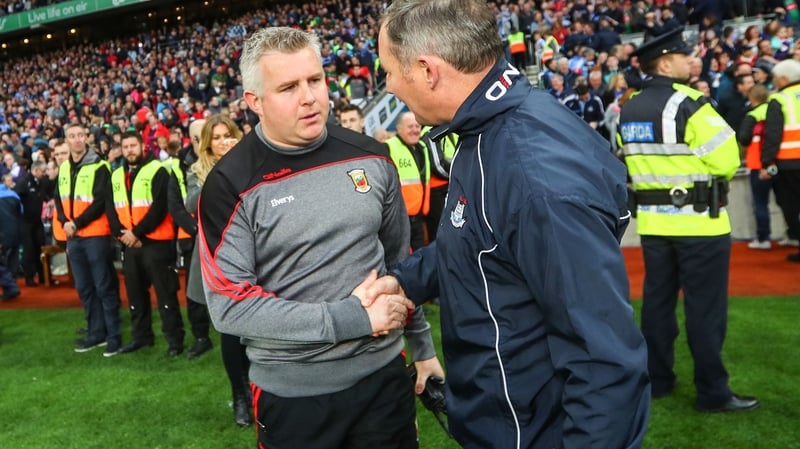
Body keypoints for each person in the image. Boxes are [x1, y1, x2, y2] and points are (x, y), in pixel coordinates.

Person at [367, 1, 650, 447]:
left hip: (532, 431)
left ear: (427, 69)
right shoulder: (488, 128)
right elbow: (483, 237)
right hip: (507, 419)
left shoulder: (532, 173)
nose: (388, 84)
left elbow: (605, 361)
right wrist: (406, 280)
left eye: (389, 69)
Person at [196, 27, 441, 449]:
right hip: (293, 396)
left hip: (383, 377)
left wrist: (422, 347)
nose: (309, 97)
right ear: (254, 102)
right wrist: (353, 319)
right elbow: (229, 306)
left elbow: (398, 263)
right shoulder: (227, 185)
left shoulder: (372, 157)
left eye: (315, 79)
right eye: (288, 87)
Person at [618, 27, 759, 412]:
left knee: (657, 306)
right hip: (701, 223)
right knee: (705, 311)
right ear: (665, 62)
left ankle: (658, 380)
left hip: (653, 225)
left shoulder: (629, 106)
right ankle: (713, 392)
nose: (691, 59)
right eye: (683, 55)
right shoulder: (691, 103)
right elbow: (727, 160)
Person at [184, 114, 252, 426]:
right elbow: (192, 203)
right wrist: (224, 173)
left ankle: (260, 391)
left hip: (254, 255)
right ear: (207, 142)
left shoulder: (252, 161)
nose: (224, 141)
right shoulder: (197, 170)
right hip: (216, 259)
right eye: (218, 136)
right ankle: (240, 396)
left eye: (229, 135)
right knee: (230, 329)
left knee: (258, 327)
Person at [110, 131, 186, 357]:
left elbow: (161, 207)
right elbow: (111, 208)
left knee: (166, 295)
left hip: (156, 244)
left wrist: (137, 233)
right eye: (125, 147)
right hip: (129, 245)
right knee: (135, 296)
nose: (129, 150)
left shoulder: (159, 170)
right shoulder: (116, 175)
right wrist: (123, 235)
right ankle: (141, 337)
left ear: (143, 146)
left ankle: (175, 340)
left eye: (133, 145)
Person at [54, 123, 123, 356]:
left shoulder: (99, 166)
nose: (76, 140)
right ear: (66, 139)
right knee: (84, 288)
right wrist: (64, 221)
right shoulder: (64, 168)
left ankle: (114, 336)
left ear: (86, 137)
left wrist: (76, 223)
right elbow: (58, 198)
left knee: (104, 287)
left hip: (95, 235)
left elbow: (100, 201)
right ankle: (96, 333)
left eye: (79, 135)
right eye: (71, 136)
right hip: (74, 236)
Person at [165, 136, 213, 360]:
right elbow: (175, 203)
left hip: (214, 234)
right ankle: (201, 337)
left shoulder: (220, 159)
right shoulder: (178, 167)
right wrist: (195, 228)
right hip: (190, 235)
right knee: (194, 292)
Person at [761, 59, 800, 262]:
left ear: (783, 79)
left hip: (790, 163)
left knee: (790, 205)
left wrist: (767, 163)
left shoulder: (780, 99)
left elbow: (773, 135)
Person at [738, 84, 776, 250]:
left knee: (761, 203)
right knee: (790, 201)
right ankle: (793, 234)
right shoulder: (778, 111)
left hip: (758, 164)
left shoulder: (752, 115)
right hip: (780, 162)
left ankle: (763, 238)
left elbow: (744, 138)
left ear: (751, 98)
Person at [385, 112, 429, 251]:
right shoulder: (388, 147)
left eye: (417, 126)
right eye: (410, 126)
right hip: (400, 220)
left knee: (421, 255)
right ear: (399, 128)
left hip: (419, 217)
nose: (415, 130)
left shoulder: (423, 147)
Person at [14, 160, 49, 286]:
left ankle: (43, 275)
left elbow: (43, 195)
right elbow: (16, 198)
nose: (45, 174)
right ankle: (29, 277)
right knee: (28, 250)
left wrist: (48, 200)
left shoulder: (42, 182)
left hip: (36, 220)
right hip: (25, 222)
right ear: (36, 170)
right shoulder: (24, 182)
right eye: (43, 171)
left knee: (40, 247)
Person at [0, 174, 22, 301]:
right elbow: (21, 212)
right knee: (12, 260)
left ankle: (11, 287)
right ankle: (10, 289)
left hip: (2, 235)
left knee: (2, 264)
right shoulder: (14, 196)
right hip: (16, 232)